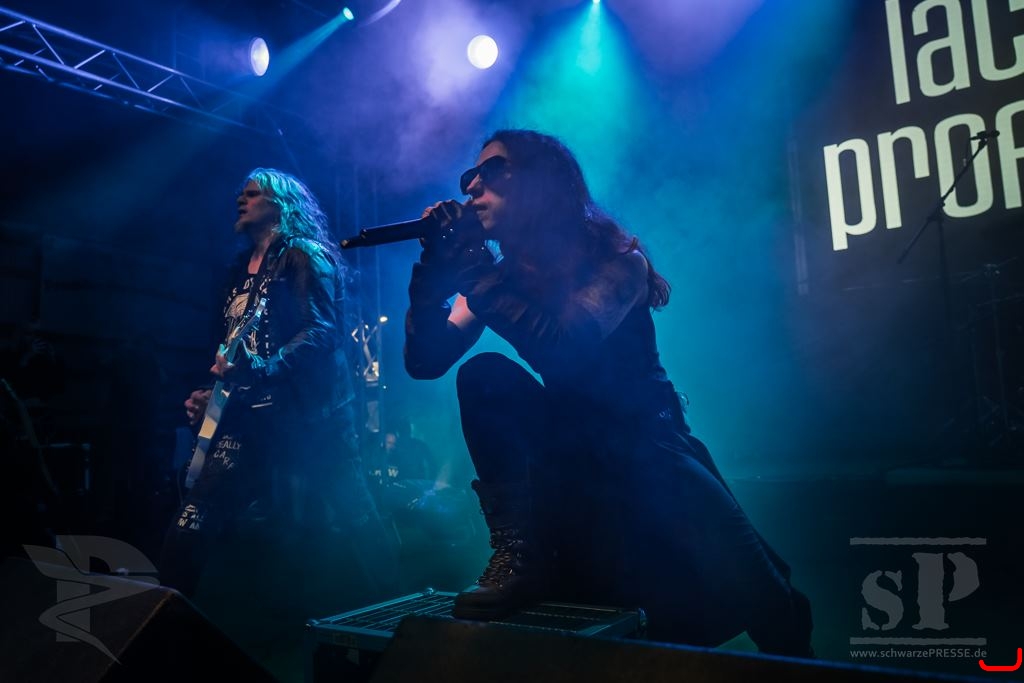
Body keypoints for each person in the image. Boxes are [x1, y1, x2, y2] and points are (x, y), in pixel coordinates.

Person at [403, 129, 814, 656]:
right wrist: (430, 280)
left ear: (542, 182)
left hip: (646, 444)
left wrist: (475, 274)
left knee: (759, 591)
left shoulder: (618, 262)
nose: (472, 186)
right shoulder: (497, 278)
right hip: (571, 446)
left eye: (492, 171)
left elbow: (564, 350)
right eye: (469, 176)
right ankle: (518, 555)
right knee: (482, 374)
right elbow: (426, 361)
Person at [159, 168, 396, 600]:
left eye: (253, 193)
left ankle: (402, 607)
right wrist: (213, 393)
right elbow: (237, 348)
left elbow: (322, 330)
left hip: (314, 415)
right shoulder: (237, 269)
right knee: (197, 511)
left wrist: (261, 369)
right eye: (241, 193)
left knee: (354, 513)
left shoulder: (303, 255)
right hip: (251, 414)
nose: (241, 199)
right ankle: (163, 618)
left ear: (281, 206)